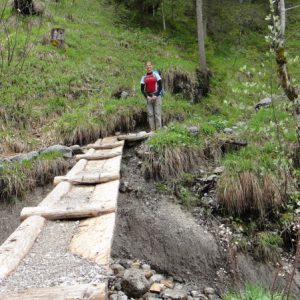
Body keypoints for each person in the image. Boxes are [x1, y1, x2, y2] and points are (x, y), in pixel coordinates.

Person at [140, 61, 163, 131]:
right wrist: (147, 96)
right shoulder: (144, 77)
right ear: (145, 67)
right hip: (149, 96)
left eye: (149, 65)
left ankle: (158, 131)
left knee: (157, 113)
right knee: (150, 114)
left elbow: (160, 86)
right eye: (147, 66)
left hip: (156, 95)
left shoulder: (156, 75)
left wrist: (156, 95)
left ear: (152, 66)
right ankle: (152, 130)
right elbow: (142, 89)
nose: (148, 67)